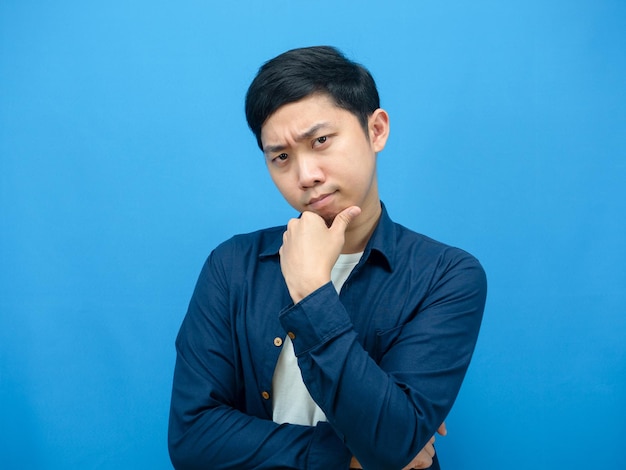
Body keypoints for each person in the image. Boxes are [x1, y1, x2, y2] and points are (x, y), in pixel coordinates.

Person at [168, 45, 486, 470]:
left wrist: (311, 292)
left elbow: (391, 440)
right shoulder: (232, 266)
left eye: (321, 141)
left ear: (376, 130)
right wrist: (345, 454)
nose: (305, 176)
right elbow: (192, 438)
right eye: (281, 157)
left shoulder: (446, 276)